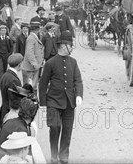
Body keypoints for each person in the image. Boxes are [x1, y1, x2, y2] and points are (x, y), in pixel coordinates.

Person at [39, 30, 83, 164]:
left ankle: (63, 157)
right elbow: (43, 84)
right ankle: (53, 157)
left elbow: (78, 80)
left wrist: (79, 95)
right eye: (71, 45)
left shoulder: (73, 62)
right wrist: (43, 104)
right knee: (55, 127)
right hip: (53, 102)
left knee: (67, 130)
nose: (72, 48)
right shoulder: (50, 63)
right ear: (64, 45)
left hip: (69, 103)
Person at [0, 54, 23, 128]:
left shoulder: (5, 75)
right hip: (10, 112)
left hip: (5, 109)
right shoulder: (13, 79)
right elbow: (15, 99)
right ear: (19, 64)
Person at [21, 19, 44, 89]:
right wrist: (35, 64)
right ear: (38, 29)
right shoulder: (31, 38)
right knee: (30, 87)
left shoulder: (33, 37)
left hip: (32, 68)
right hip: (30, 68)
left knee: (32, 86)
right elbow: (29, 53)